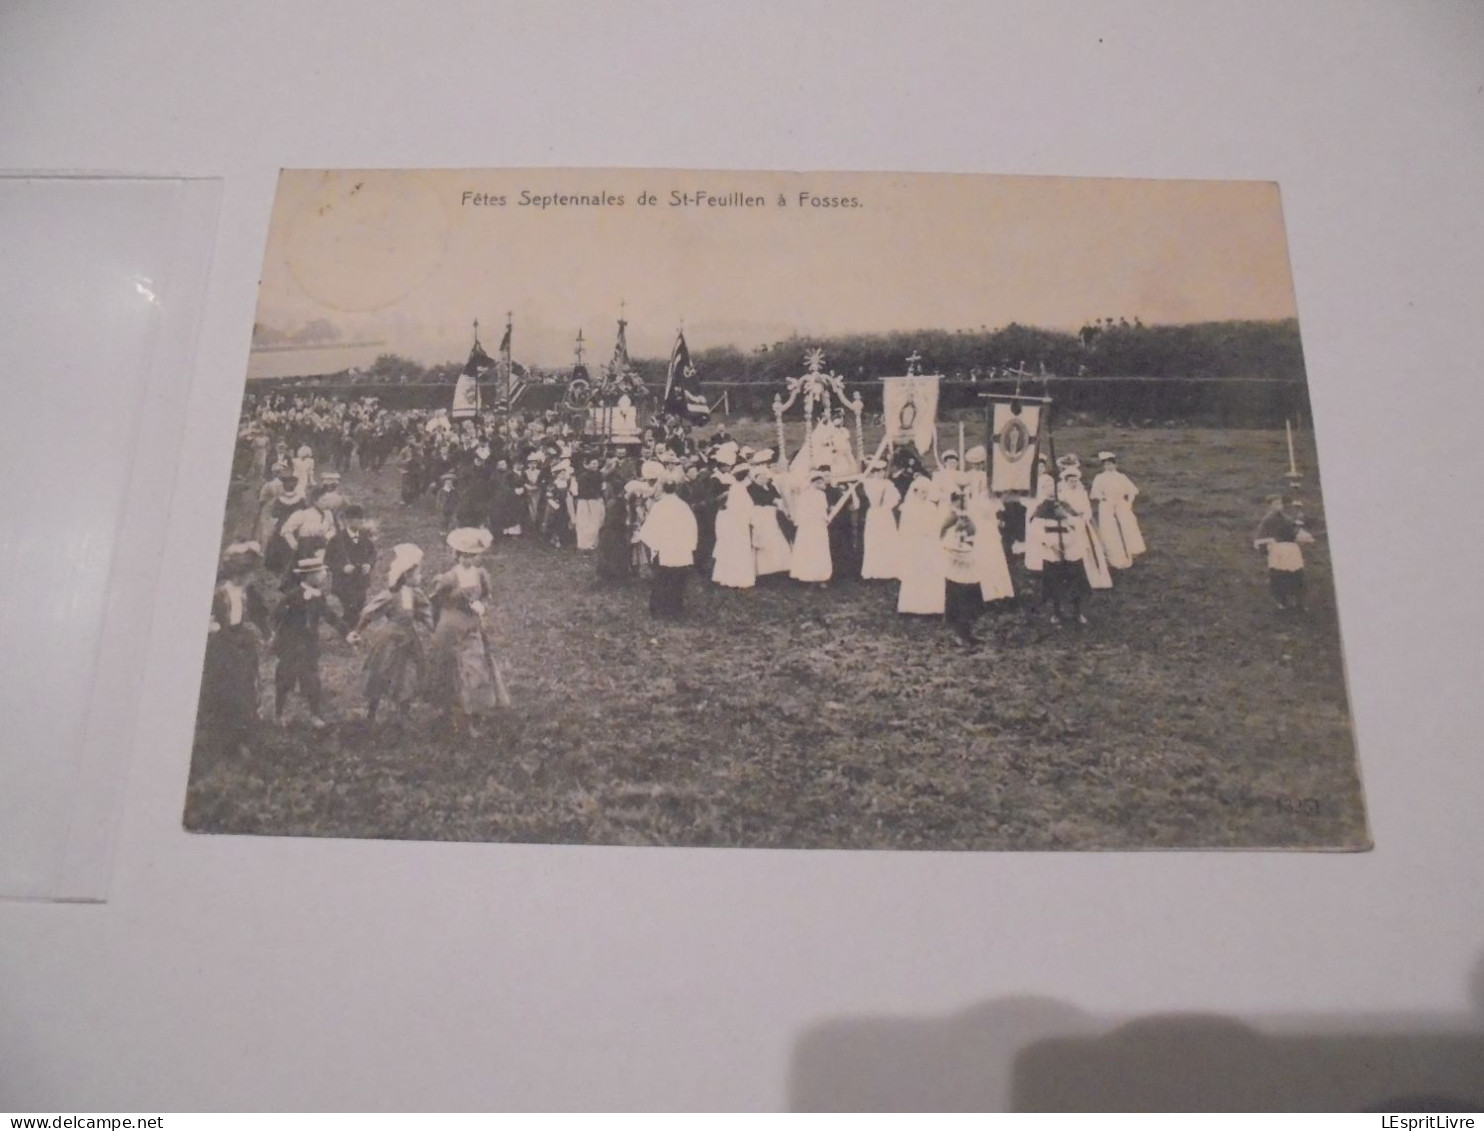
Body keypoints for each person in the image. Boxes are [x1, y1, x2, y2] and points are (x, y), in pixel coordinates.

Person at [427, 527, 509, 736]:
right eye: (463, 555)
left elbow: (486, 595)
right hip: (451, 626)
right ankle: (446, 712)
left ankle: (473, 716)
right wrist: (438, 620)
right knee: (449, 669)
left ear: (477, 557)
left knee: (475, 668)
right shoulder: (448, 577)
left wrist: (482, 605)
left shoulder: (481, 574)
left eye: (471, 556)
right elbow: (435, 601)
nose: (467, 560)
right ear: (456, 555)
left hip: (472, 627)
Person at [348, 543, 433, 726]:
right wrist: (357, 632)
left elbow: (426, 615)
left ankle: (404, 712)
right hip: (390, 639)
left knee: (408, 674)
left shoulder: (416, 594)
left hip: (409, 639)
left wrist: (436, 631)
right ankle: (372, 710)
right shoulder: (390, 595)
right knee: (381, 671)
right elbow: (368, 613)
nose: (421, 577)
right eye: (418, 573)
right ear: (407, 574)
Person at [200, 541, 270, 754]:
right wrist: (213, 626)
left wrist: (265, 633)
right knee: (228, 688)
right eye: (250, 573)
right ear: (241, 573)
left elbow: (259, 614)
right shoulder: (220, 593)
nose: (253, 578)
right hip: (222, 643)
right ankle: (226, 737)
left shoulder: (246, 593)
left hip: (241, 640)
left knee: (248, 685)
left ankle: (245, 734)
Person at [270, 550, 349, 727]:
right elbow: (276, 616)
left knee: (312, 680)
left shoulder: (318, 596)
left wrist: (347, 633)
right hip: (291, 645)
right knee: (285, 679)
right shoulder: (293, 595)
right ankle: (279, 713)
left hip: (309, 645)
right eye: (320, 572)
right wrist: (278, 635)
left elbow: (330, 616)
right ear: (310, 575)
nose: (324, 575)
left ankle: (314, 714)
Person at [638, 476, 699, 619]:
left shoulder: (659, 506)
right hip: (680, 550)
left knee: (663, 579)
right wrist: (690, 545)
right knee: (677, 579)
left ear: (663, 489)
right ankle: (675, 608)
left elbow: (649, 530)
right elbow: (692, 527)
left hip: (665, 549)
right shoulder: (683, 506)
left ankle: (661, 609)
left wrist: (655, 546)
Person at [1032, 498, 1093, 626]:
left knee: (1075, 584)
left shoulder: (1066, 507)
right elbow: (1036, 531)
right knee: (1054, 584)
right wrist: (1051, 545)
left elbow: (1080, 526)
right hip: (1052, 554)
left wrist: (1065, 515)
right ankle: (1056, 612)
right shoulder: (1041, 511)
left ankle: (1077, 612)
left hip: (1072, 552)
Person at [1253, 495, 1316, 611]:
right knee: (1278, 575)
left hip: (1291, 549)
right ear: (1270, 506)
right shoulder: (1267, 520)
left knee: (1297, 574)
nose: (1279, 506)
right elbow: (1261, 536)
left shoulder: (1287, 519)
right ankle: (1282, 602)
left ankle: (1299, 602)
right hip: (1277, 550)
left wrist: (1300, 531)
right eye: (1275, 504)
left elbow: (1295, 531)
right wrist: (1265, 548)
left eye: (1280, 503)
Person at [896, 473, 946, 615]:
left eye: (926, 492)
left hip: (929, 543)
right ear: (915, 492)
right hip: (915, 544)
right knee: (915, 572)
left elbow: (937, 524)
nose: (924, 494)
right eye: (921, 492)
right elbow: (906, 528)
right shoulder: (909, 508)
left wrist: (933, 533)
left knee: (930, 572)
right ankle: (912, 606)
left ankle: (931, 606)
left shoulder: (931, 507)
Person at [1090, 451, 1146, 569]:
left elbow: (1132, 490)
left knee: (1127, 524)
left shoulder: (1121, 477)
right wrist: (1103, 498)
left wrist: (1129, 502)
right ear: (1103, 466)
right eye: (1106, 465)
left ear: (1115, 465)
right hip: (1107, 504)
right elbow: (1095, 493)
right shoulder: (1099, 477)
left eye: (1111, 464)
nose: (1109, 467)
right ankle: (1114, 553)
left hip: (1121, 503)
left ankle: (1132, 549)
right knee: (1109, 528)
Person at [941, 496, 984, 647]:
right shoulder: (950, 522)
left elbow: (976, 536)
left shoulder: (970, 522)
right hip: (956, 567)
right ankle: (960, 634)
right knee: (959, 600)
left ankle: (969, 632)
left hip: (970, 565)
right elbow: (945, 542)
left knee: (971, 600)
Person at [326, 503, 376, 623]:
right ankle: (348, 633)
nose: (360, 521)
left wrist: (368, 564)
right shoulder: (336, 539)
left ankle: (350, 631)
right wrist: (342, 568)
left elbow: (372, 553)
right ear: (348, 521)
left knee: (359, 607)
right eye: (357, 519)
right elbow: (328, 560)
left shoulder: (364, 536)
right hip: (344, 583)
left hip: (360, 580)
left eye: (361, 518)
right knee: (350, 610)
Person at [711, 465, 758, 589]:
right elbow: (743, 509)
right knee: (737, 550)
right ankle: (736, 578)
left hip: (737, 524)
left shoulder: (736, 489)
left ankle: (730, 577)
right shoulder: (739, 490)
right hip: (738, 525)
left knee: (734, 550)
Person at [746, 461, 793, 579]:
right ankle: (764, 570)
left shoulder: (770, 486)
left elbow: (777, 497)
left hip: (772, 515)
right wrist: (771, 501)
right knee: (765, 540)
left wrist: (777, 502)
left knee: (777, 539)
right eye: (760, 477)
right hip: (761, 515)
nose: (763, 479)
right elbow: (758, 500)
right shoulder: (751, 488)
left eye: (764, 476)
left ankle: (780, 566)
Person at [788, 468, 833, 584]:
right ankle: (806, 574)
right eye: (818, 482)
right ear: (812, 482)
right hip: (809, 526)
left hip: (819, 525)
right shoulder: (805, 495)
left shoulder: (822, 495)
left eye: (821, 482)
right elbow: (803, 512)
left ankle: (821, 575)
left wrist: (825, 518)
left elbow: (823, 510)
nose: (820, 484)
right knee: (809, 548)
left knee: (820, 549)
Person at [860, 458, 902, 581]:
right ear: (872, 472)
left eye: (882, 471)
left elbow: (895, 499)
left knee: (886, 540)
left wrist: (887, 506)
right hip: (876, 514)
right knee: (874, 541)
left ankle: (886, 570)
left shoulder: (885, 484)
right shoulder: (871, 483)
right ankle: (875, 570)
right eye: (877, 471)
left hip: (883, 514)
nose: (880, 474)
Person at [573, 456, 607, 551]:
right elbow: (581, 490)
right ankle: (584, 544)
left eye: (596, 463)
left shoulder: (600, 475)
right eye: (592, 464)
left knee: (597, 522)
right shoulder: (583, 476)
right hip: (585, 501)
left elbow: (602, 487)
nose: (595, 466)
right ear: (587, 465)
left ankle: (593, 543)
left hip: (596, 500)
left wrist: (600, 493)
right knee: (585, 522)